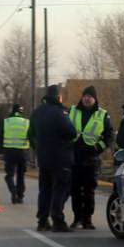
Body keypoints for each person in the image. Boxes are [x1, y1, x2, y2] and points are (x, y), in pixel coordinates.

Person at [29, 85, 77, 232]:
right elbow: (71, 132)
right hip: (60, 157)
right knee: (61, 188)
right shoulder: (60, 112)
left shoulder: (37, 112)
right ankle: (57, 219)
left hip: (43, 157)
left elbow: (30, 134)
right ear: (58, 97)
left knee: (45, 189)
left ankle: (42, 220)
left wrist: (38, 148)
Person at [69, 86, 114, 230]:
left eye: (90, 96)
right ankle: (77, 218)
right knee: (75, 190)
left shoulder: (102, 114)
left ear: (95, 99)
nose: (87, 99)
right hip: (75, 156)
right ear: (82, 97)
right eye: (85, 96)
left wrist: (98, 147)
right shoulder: (72, 111)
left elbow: (109, 136)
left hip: (91, 158)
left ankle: (87, 219)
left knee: (89, 190)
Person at [1, 103, 30, 204]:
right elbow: (31, 136)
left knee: (9, 175)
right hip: (22, 152)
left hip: (9, 152)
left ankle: (13, 191)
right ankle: (20, 196)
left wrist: (1, 146)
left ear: (12, 111)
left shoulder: (6, 121)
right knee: (21, 175)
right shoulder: (26, 122)